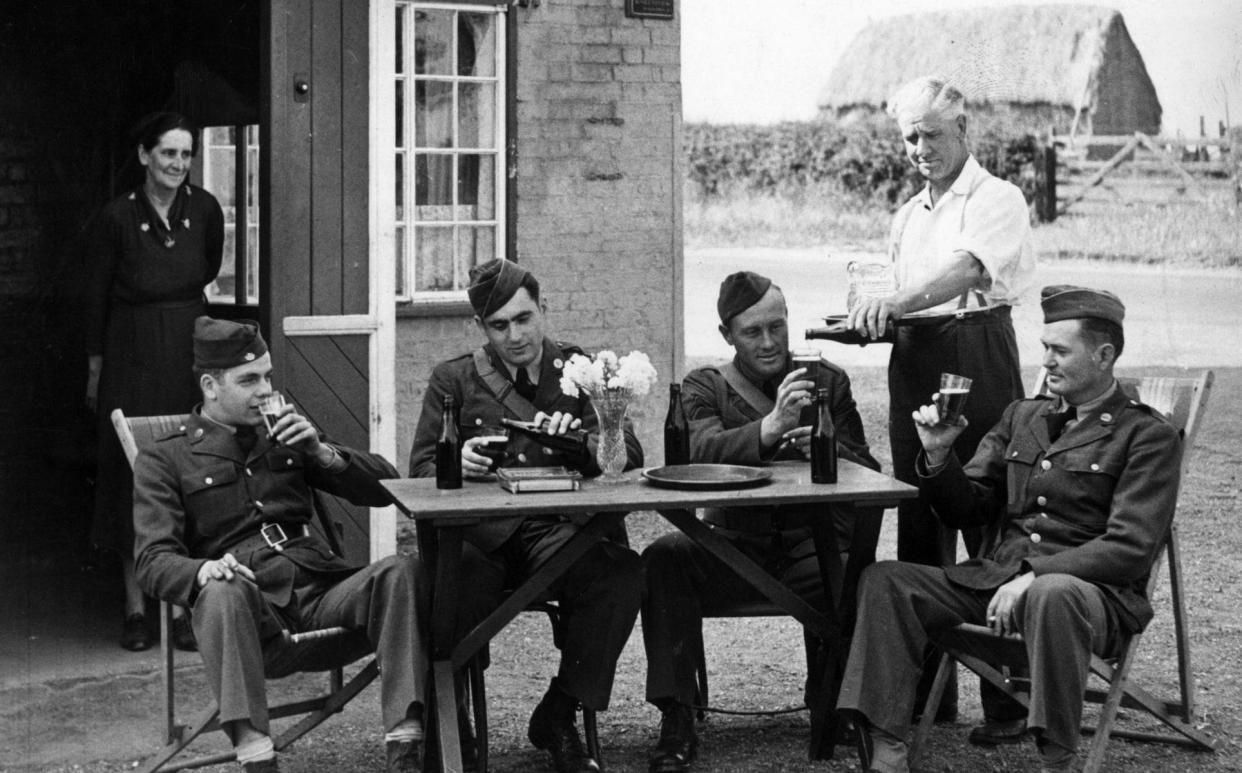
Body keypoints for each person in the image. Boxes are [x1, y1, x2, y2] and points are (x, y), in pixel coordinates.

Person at [837, 286, 1182, 773]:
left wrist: (1034, 575)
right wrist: (939, 455)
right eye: (1045, 348)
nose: (1047, 361)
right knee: (886, 580)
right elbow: (967, 509)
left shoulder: (1147, 437)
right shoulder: (1023, 416)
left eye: (1060, 350)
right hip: (998, 583)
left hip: (1090, 598)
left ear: (1104, 356)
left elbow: (1129, 547)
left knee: (1052, 593)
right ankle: (888, 745)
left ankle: (1058, 757)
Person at [133, 318, 426, 773]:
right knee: (222, 587)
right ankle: (257, 758)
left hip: (323, 592)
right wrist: (200, 572)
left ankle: (405, 749)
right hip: (252, 613)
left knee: (401, 571)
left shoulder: (286, 433)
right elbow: (151, 561)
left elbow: (390, 487)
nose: (265, 391)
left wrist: (321, 452)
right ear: (210, 385)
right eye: (249, 380)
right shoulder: (166, 457)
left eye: (267, 376)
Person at [845, 75, 1036, 730]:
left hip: (978, 354)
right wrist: (867, 317)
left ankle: (1008, 698)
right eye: (909, 136)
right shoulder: (905, 214)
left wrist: (894, 303)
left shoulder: (997, 197)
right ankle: (932, 696)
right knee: (920, 514)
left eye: (931, 133)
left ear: (963, 130)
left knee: (989, 510)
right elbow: (900, 296)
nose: (920, 147)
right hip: (915, 361)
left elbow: (967, 272)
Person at [407, 259, 644, 773]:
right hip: (481, 540)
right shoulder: (455, 378)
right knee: (448, 589)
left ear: (544, 310)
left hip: (555, 535)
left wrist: (581, 441)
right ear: (480, 328)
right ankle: (452, 724)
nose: (514, 336)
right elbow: (421, 467)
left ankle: (559, 713)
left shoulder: (580, 370)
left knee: (621, 575)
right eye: (499, 325)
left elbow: (630, 452)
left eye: (524, 319)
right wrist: (458, 460)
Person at [642, 271, 882, 773]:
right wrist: (769, 430)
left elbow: (870, 471)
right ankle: (677, 715)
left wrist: (827, 446)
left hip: (809, 552)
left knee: (861, 574)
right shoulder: (705, 385)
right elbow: (695, 452)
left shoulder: (827, 380)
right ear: (727, 334)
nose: (769, 342)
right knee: (664, 557)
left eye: (778, 326)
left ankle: (835, 699)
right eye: (753, 332)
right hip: (733, 548)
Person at [85, 111, 225, 651]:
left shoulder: (205, 208)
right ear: (145, 156)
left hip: (188, 347)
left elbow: (208, 266)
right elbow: (95, 293)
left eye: (186, 154)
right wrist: (96, 366)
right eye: (167, 153)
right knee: (133, 472)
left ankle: (186, 606)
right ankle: (137, 609)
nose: (178, 164)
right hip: (132, 349)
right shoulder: (116, 217)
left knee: (191, 469)